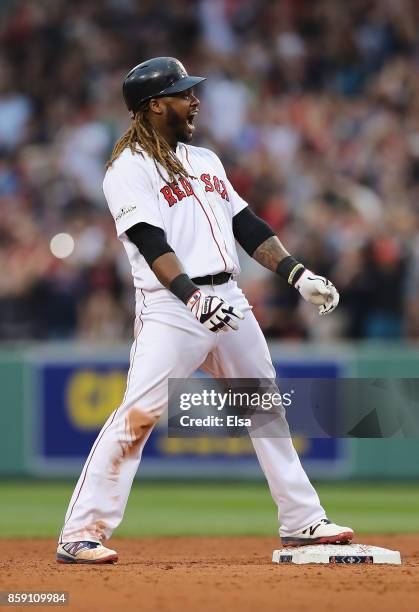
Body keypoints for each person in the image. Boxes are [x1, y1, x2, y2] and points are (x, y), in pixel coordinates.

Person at [56, 57, 353, 564]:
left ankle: (302, 520)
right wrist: (193, 295)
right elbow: (149, 241)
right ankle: (81, 532)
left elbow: (248, 226)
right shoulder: (126, 168)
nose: (195, 100)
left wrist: (296, 273)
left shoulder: (205, 160)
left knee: (266, 408)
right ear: (154, 106)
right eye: (183, 93)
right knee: (140, 415)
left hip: (231, 301)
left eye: (192, 91)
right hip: (173, 308)